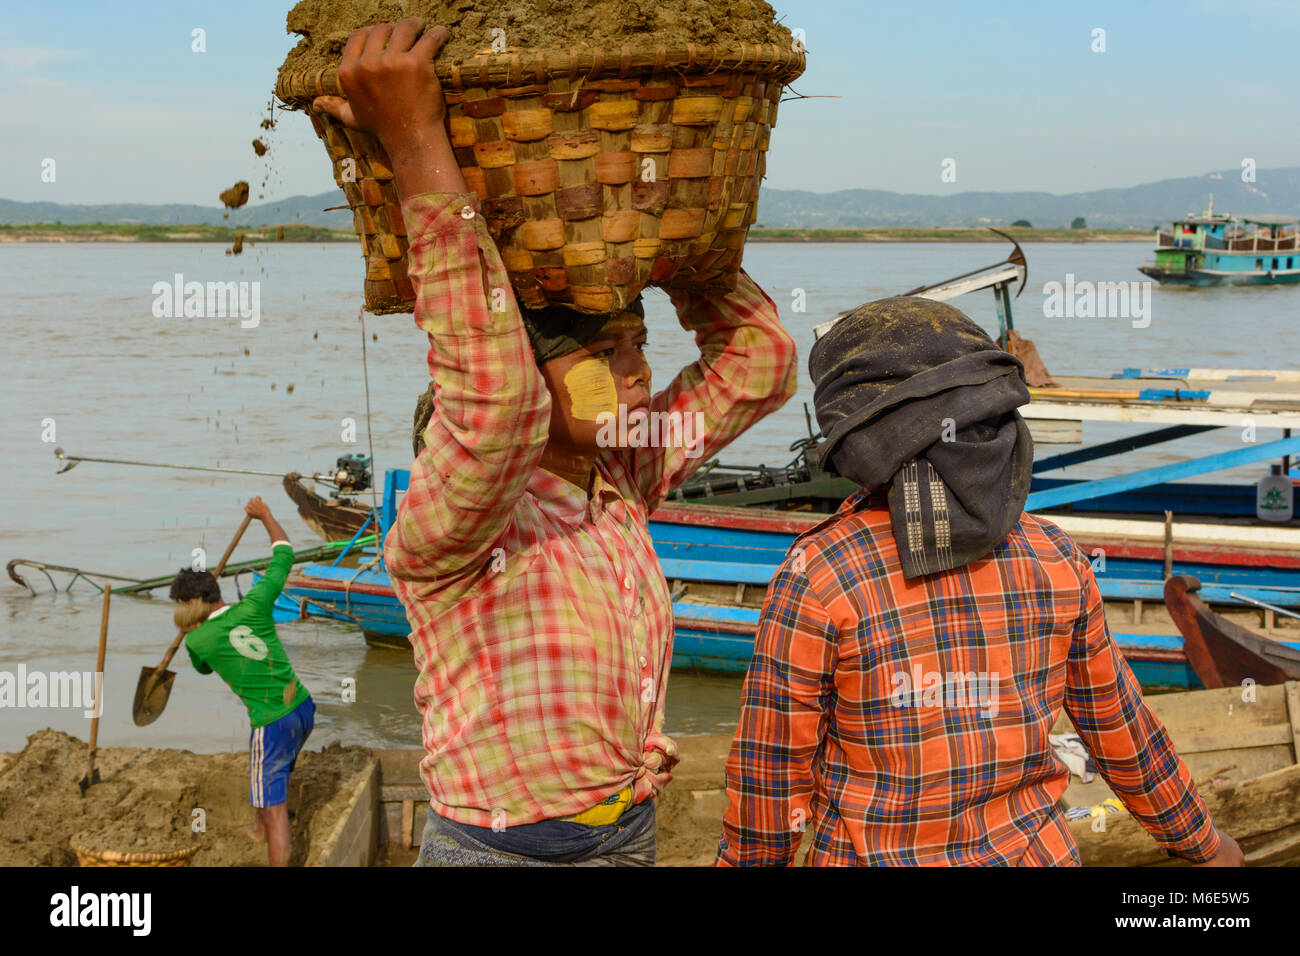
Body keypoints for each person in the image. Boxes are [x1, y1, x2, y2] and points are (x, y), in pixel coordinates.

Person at [311, 18, 797, 866]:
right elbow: (495, 402)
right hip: (500, 853)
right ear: (529, 372)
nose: (637, 372)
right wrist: (418, 138)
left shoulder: (621, 478)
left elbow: (759, 360)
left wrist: (686, 240)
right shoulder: (456, 528)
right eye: (601, 354)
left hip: (628, 831)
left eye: (638, 343)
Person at [717, 296, 1244, 867]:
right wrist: (1202, 843)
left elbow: (770, 779)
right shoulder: (1054, 556)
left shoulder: (819, 574)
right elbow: (1119, 726)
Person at [170, 496, 314, 867]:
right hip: (302, 707)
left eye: (181, 605)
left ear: (194, 603)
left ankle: (273, 848)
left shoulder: (198, 640)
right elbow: (284, 555)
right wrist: (265, 515)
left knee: (275, 805)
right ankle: (257, 827)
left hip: (271, 722)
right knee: (266, 777)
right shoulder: (255, 603)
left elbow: (203, 668)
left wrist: (192, 630)